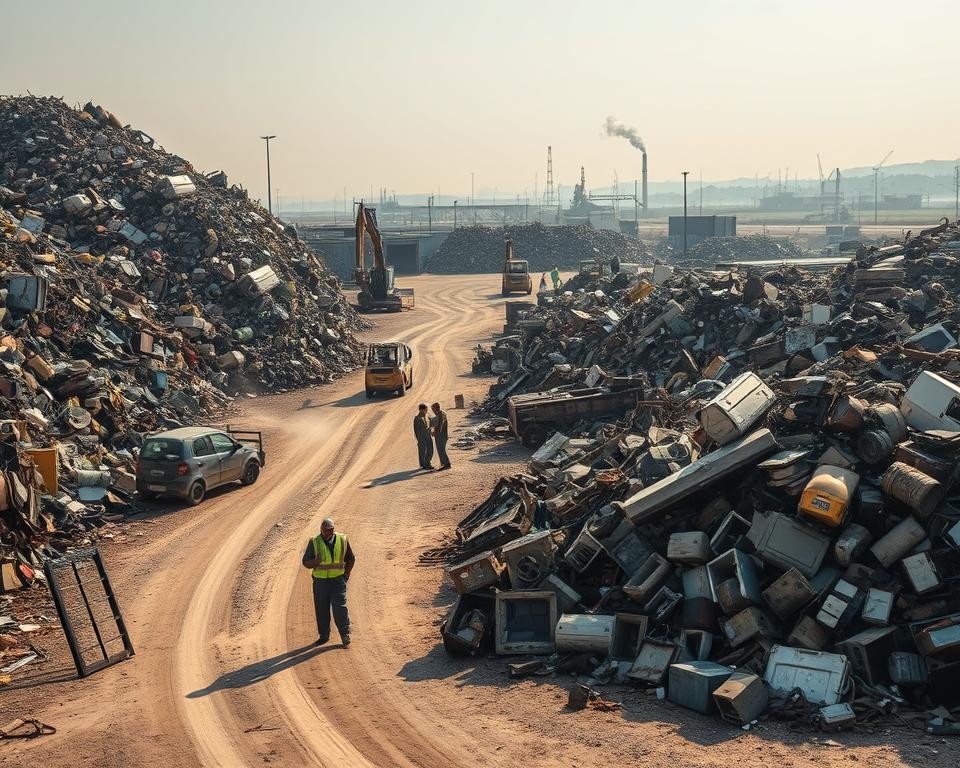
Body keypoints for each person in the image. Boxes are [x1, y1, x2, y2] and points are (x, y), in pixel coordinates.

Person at [301, 517, 354, 646]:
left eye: (329, 530)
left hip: (337, 581)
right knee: (321, 609)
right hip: (320, 583)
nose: (326, 533)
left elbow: (351, 559)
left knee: (339, 609)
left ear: (333, 530)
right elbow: (305, 562)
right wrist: (315, 562)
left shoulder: (342, 540)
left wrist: (346, 574)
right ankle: (324, 636)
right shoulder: (315, 542)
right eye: (324, 530)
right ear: (321, 529)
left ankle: (345, 634)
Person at [430, 401, 450, 470]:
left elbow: (440, 426)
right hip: (441, 435)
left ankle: (446, 464)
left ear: (435, 408)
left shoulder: (441, 414)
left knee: (441, 450)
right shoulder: (440, 414)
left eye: (433, 409)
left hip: (441, 435)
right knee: (440, 450)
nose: (433, 411)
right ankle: (444, 463)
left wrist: (434, 433)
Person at [414, 402, 434, 470]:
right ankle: (425, 465)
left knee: (430, 449)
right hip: (422, 437)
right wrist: (419, 439)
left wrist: (430, 428)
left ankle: (427, 463)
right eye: (425, 409)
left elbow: (430, 424)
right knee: (423, 451)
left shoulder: (426, 416)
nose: (427, 411)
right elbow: (416, 430)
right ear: (421, 410)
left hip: (428, 436)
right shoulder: (417, 419)